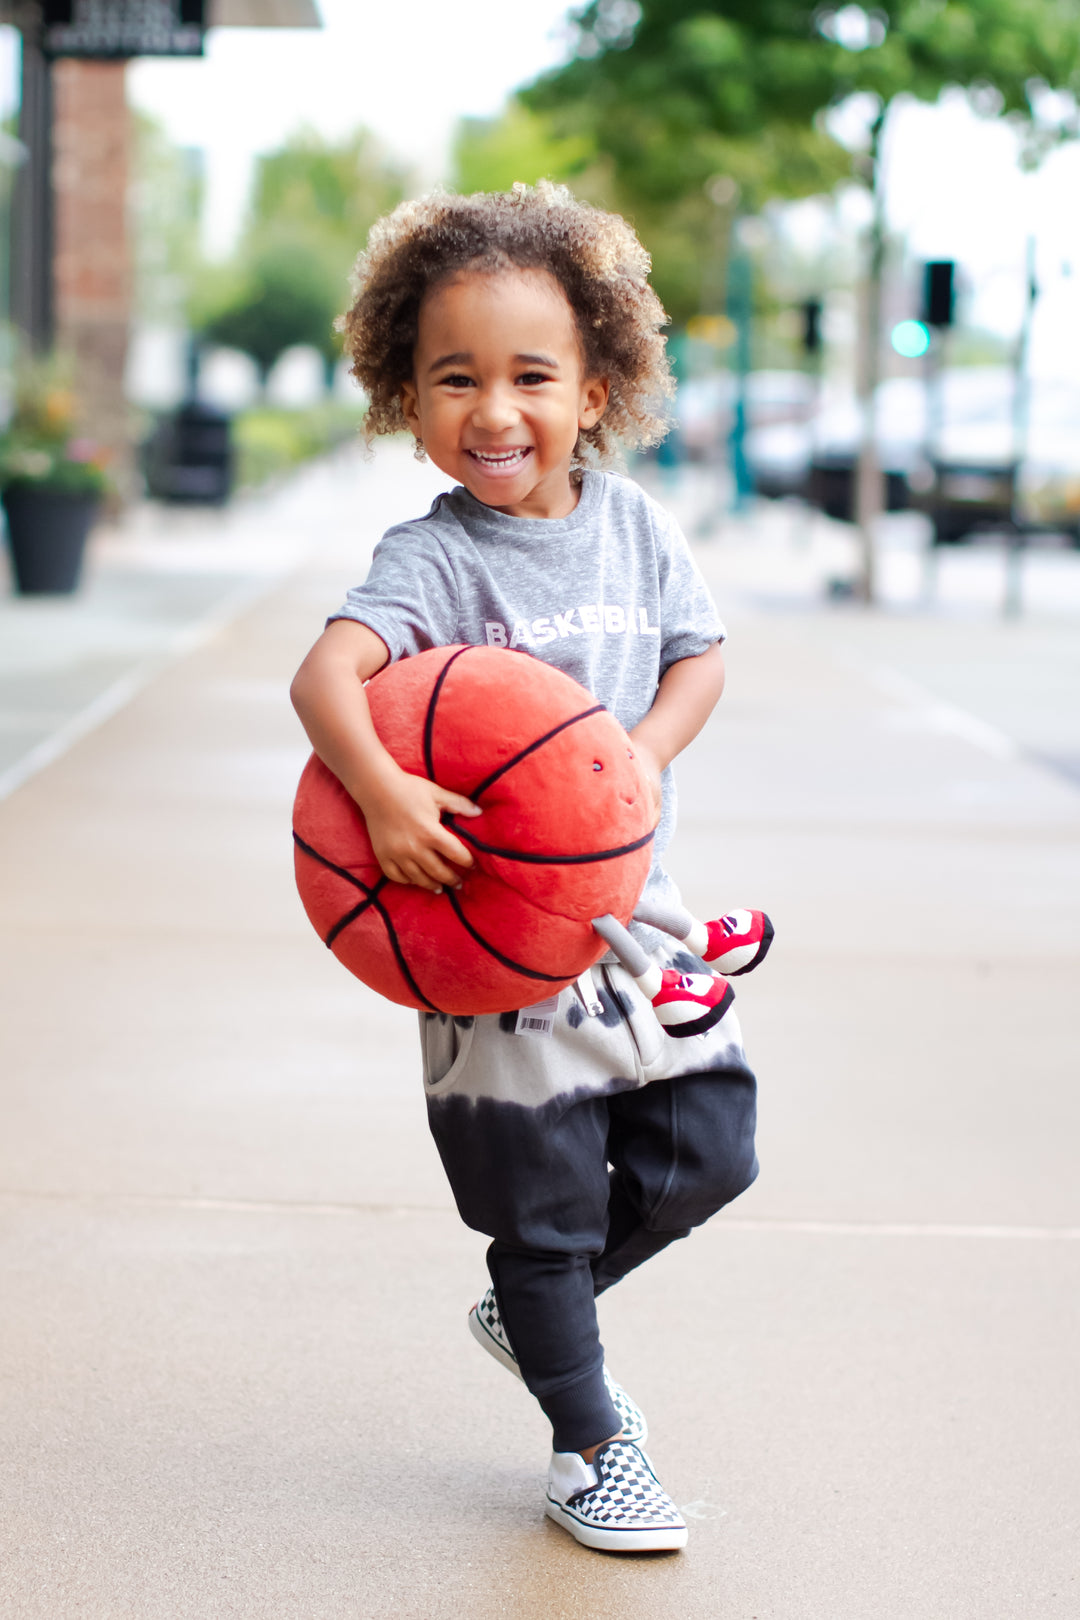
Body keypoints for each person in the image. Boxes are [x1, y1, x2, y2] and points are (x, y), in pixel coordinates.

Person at [290, 183, 761, 1554]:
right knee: (545, 1204)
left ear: (597, 387)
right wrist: (382, 796)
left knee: (709, 1147)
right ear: (404, 394)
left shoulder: (634, 529)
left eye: (530, 377)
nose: (494, 413)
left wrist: (650, 756)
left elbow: (701, 652)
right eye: (455, 379)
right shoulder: (431, 561)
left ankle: (538, 1306)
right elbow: (327, 677)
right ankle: (589, 1439)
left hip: (632, 914)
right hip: (489, 937)